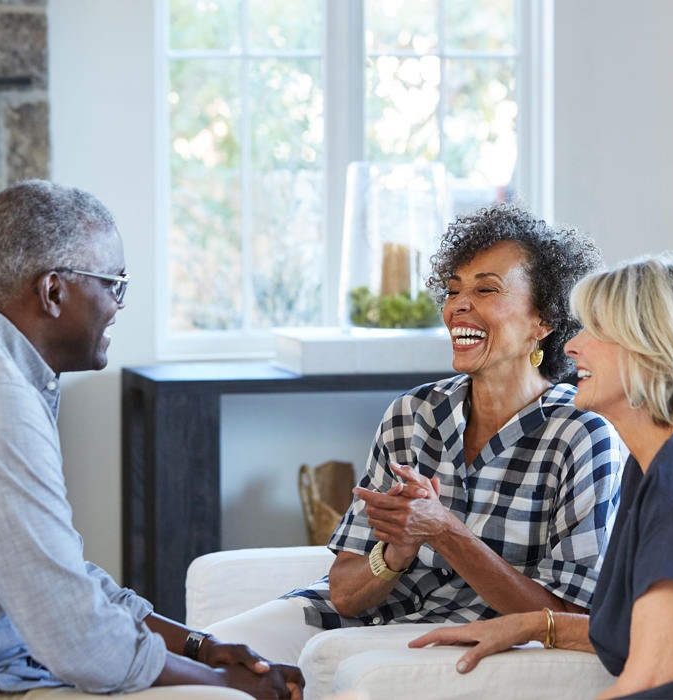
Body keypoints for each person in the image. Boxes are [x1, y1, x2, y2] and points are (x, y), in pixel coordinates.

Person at [0, 181, 303, 700]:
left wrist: (198, 646)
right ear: (53, 292)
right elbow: (81, 641)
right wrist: (221, 683)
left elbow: (64, 579)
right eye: (114, 283)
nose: (119, 304)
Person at [205, 202, 624, 665]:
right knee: (209, 655)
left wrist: (446, 532)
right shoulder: (413, 412)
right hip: (355, 621)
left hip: (460, 639)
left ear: (543, 320)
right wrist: (398, 550)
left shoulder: (582, 434)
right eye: (453, 290)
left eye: (487, 289)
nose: (459, 305)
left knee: (303, 668)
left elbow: (570, 616)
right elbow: (344, 593)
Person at [410, 253, 673, 699]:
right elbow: (651, 636)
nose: (572, 347)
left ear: (652, 350)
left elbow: (656, 679)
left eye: (597, 332)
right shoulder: (656, 463)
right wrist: (535, 624)